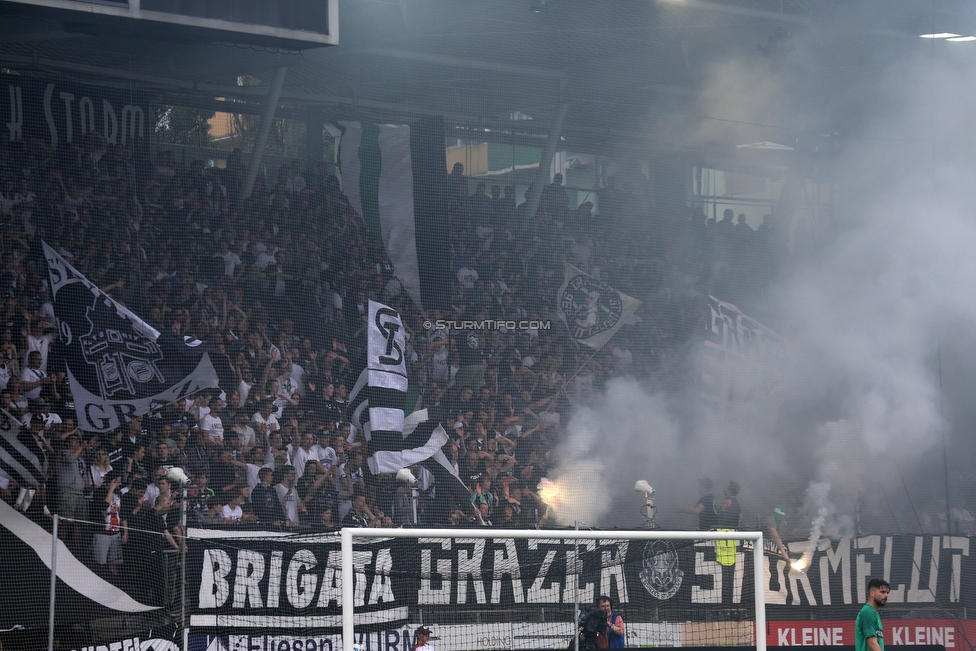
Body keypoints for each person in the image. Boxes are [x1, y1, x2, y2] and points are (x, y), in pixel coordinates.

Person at [855, 578, 889, 651]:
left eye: (887, 592)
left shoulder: (874, 613)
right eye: (882, 592)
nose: (886, 595)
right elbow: (872, 643)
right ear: (872, 593)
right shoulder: (868, 612)